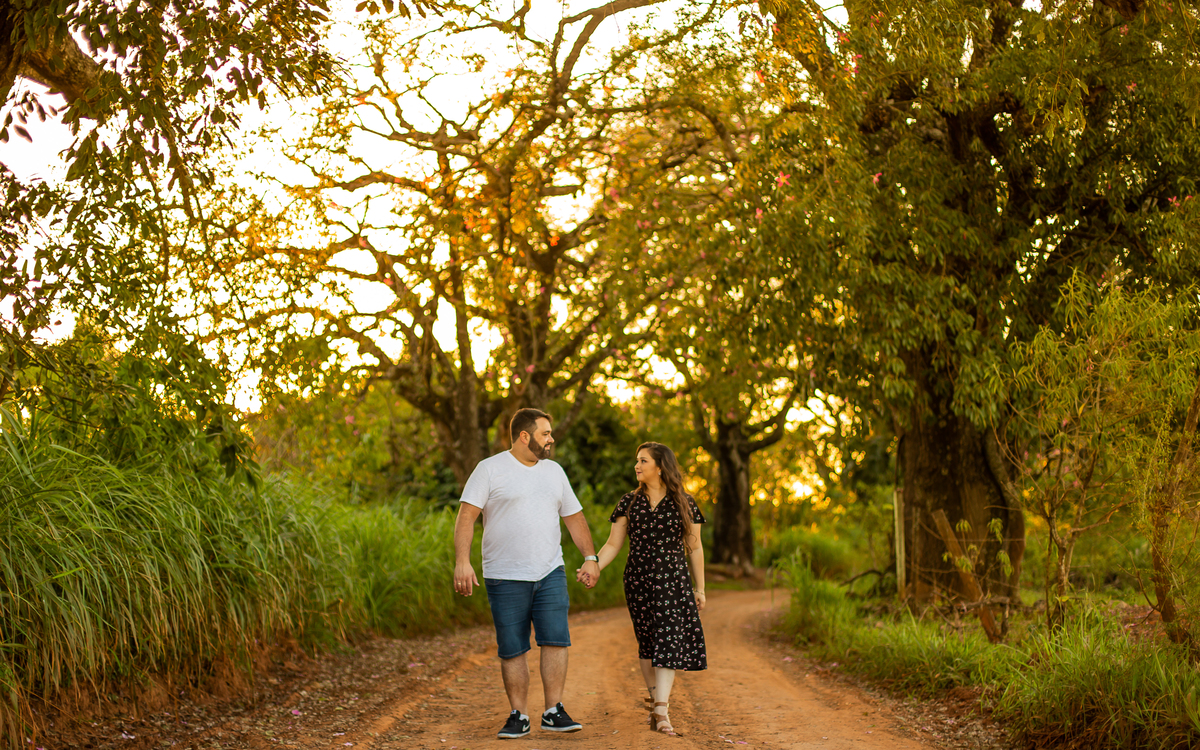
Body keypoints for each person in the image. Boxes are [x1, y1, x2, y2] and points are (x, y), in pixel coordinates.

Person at [452, 408, 602, 740]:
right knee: (513, 646)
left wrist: (590, 557)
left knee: (555, 640)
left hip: (550, 571)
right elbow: (466, 517)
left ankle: (553, 710)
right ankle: (518, 714)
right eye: (545, 433)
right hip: (504, 575)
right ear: (525, 436)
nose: (551, 439)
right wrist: (463, 561)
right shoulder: (489, 469)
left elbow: (574, 518)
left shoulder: (555, 472)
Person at [589, 441, 707, 735]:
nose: (637, 466)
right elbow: (613, 543)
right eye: (637, 461)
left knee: (667, 641)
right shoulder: (629, 501)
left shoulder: (684, 502)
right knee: (648, 642)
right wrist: (594, 565)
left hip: (673, 579)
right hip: (638, 580)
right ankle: (656, 702)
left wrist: (700, 588)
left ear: (659, 466)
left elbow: (694, 548)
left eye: (643, 461)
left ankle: (662, 711)